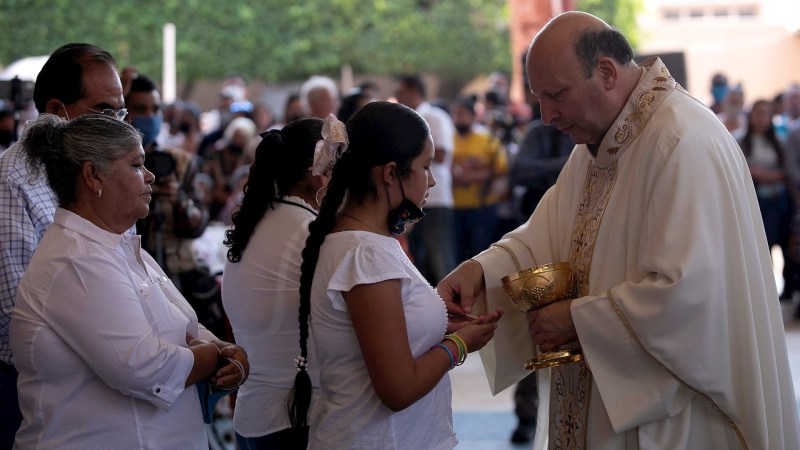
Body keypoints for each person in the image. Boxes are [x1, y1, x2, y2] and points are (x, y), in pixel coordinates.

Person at [438, 12, 800, 449]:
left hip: (676, 419)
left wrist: (575, 319)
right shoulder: (599, 142)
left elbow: (691, 295)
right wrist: (480, 272)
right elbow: (549, 233)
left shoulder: (681, 141)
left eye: (556, 95)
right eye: (538, 98)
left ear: (607, 72)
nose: (546, 115)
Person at [10, 113, 249, 449]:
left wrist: (224, 351)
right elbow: (142, 365)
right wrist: (211, 358)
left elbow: (185, 327)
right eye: (137, 165)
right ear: (93, 175)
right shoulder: (77, 258)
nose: (150, 176)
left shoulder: (117, 246)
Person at [287, 101, 502, 449]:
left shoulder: (364, 243)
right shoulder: (365, 254)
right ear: (390, 174)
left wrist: (439, 322)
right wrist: (460, 346)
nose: (432, 180)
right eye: (425, 167)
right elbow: (398, 389)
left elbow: (378, 333)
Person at [0, 43, 128, 448]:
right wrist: (118, 356)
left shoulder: (92, 172)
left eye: (121, 113)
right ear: (57, 110)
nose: (118, 126)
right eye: (105, 112)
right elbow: (15, 316)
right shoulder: (13, 182)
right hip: (37, 393)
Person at [222, 117, 327, 449]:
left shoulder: (258, 221)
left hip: (254, 416)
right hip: (295, 420)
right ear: (317, 171)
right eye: (340, 160)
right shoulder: (311, 231)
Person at [395, 75, 457, 284]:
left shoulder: (435, 116)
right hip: (410, 199)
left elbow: (441, 154)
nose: (398, 97)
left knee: (441, 260)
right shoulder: (406, 119)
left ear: (414, 92)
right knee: (416, 262)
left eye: (401, 92)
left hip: (435, 199)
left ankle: (455, 312)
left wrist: (405, 155)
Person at [450, 96, 508, 264]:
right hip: (456, 207)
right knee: (458, 255)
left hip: (482, 206)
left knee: (481, 255)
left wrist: (469, 176)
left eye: (462, 113)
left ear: (473, 116)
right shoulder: (449, 138)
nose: (457, 118)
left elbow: (500, 169)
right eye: (455, 113)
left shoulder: (486, 138)